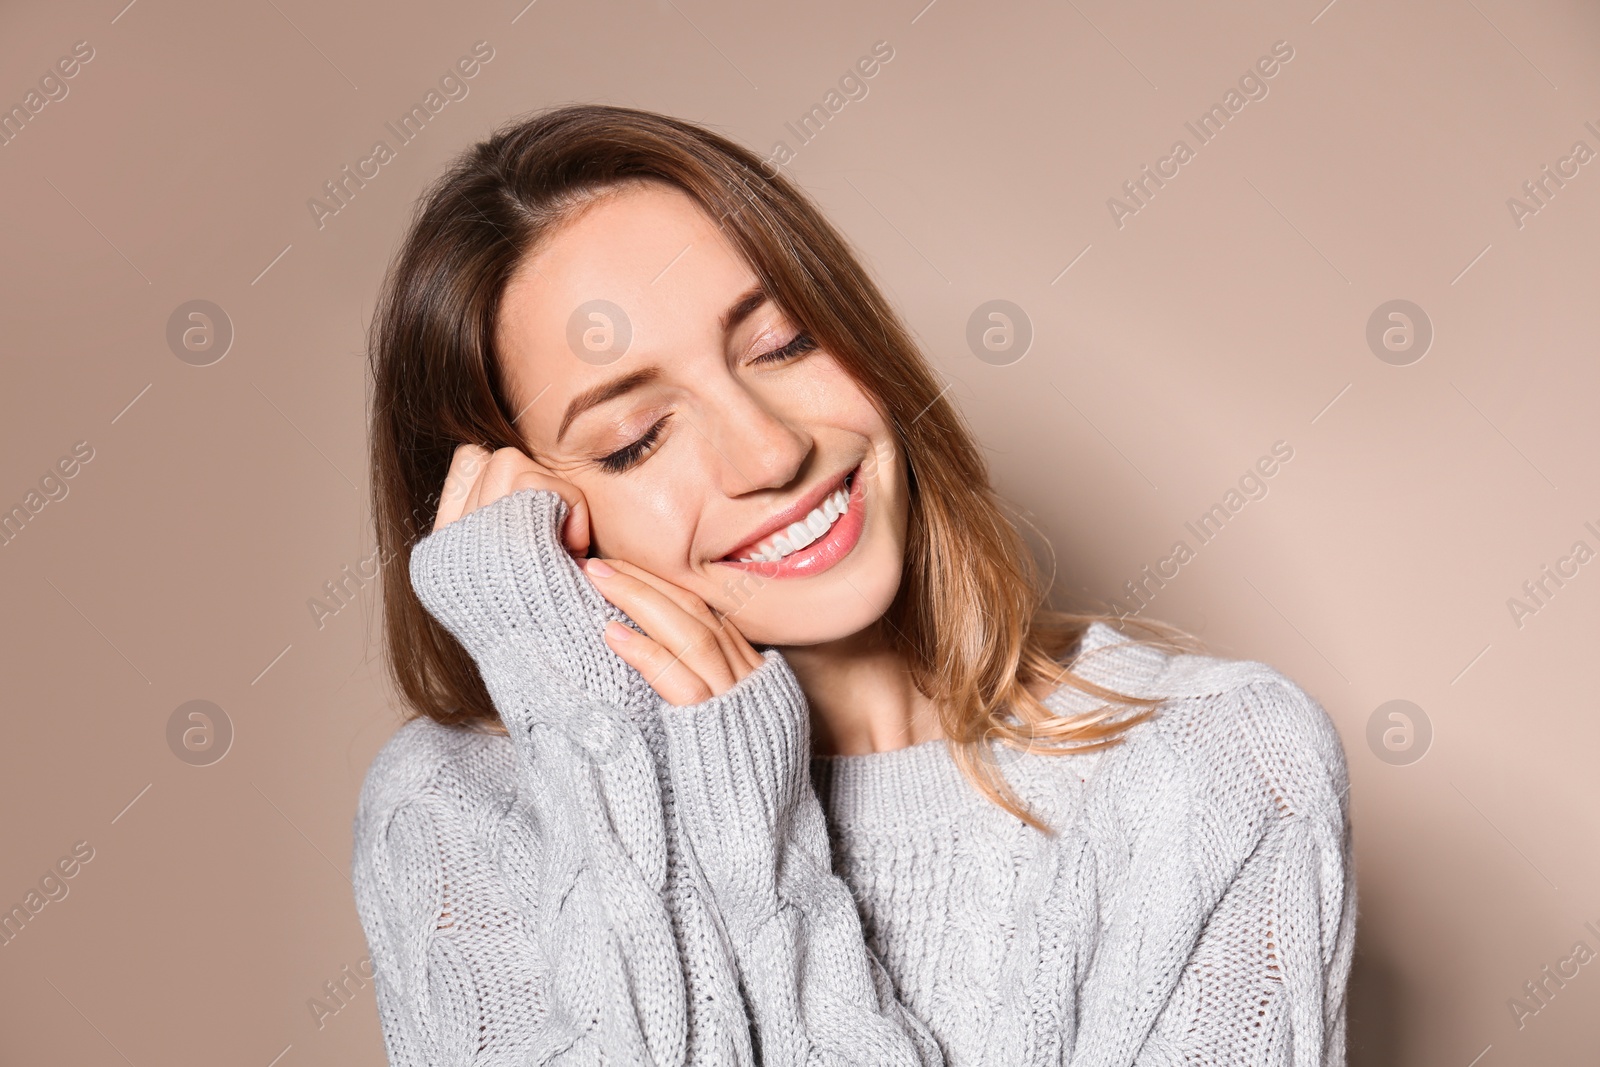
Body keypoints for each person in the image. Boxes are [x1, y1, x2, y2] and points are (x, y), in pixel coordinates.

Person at [352, 103, 1356, 1065]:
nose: (770, 449)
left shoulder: (1213, 768)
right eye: (636, 438)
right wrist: (602, 733)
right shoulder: (455, 812)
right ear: (507, 518)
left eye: (785, 343)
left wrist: (757, 854)